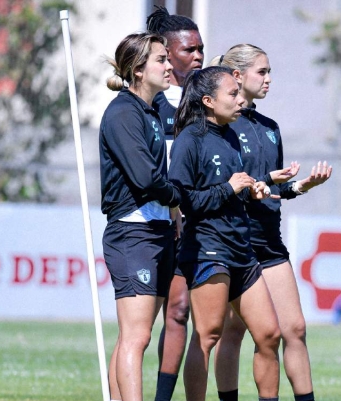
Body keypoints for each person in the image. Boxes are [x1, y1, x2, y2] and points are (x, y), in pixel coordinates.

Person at [209, 44, 332, 401]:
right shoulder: (220, 128)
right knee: (235, 332)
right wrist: (261, 183)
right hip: (235, 241)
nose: (268, 79)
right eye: (261, 72)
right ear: (237, 75)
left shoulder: (270, 128)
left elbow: (273, 188)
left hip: (269, 242)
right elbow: (225, 185)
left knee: (294, 328)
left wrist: (300, 186)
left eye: (269, 71)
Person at [168, 66, 284, 401]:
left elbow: (234, 187)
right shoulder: (191, 139)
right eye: (231, 94)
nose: (239, 99)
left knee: (269, 334)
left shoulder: (231, 135)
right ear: (208, 100)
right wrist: (228, 189)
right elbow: (182, 199)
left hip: (241, 249)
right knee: (207, 335)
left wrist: (251, 189)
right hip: (208, 249)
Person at [100, 33, 180, 401]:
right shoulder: (121, 113)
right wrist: (185, 199)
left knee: (135, 333)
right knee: (138, 336)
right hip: (132, 234)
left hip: (159, 230)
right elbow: (146, 177)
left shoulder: (151, 110)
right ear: (137, 69)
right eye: (161, 60)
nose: (169, 66)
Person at [145, 6, 204, 401]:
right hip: (151, 226)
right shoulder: (151, 102)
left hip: (195, 226)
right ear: (166, 51)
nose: (198, 57)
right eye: (190, 50)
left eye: (202, 49)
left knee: (180, 310)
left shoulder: (206, 100)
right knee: (139, 327)